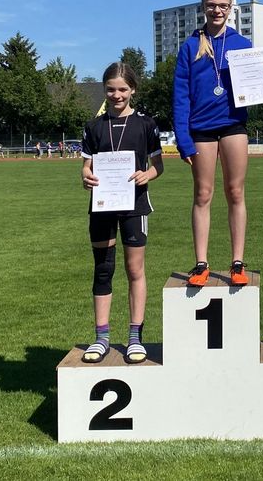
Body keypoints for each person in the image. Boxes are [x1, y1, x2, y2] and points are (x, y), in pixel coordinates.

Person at [173, 0, 263, 287]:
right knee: (203, 195)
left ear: (231, 7)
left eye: (222, 5)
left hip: (233, 125)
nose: (217, 10)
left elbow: (257, 88)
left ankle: (237, 262)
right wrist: (183, 141)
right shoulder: (190, 47)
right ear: (203, 7)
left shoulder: (243, 44)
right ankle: (201, 263)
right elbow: (180, 99)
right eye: (211, 4)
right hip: (201, 130)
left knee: (235, 193)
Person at [80, 62, 164, 364]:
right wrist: (85, 176)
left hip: (134, 206)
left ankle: (134, 337)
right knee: (103, 269)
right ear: (105, 90)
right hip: (102, 207)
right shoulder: (94, 126)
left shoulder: (146, 124)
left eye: (122, 89)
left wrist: (148, 175)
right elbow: (87, 166)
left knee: (134, 270)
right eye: (111, 89)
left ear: (133, 90)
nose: (117, 95)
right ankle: (101, 337)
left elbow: (159, 165)